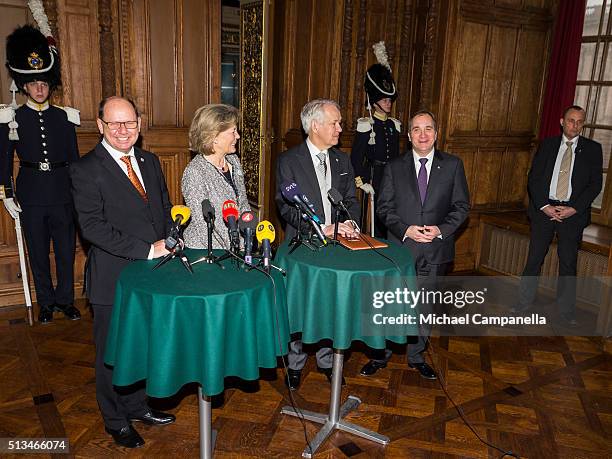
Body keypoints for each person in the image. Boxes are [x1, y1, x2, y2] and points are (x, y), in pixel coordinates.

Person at [70, 96, 175, 448]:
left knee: (144, 345)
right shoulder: (85, 169)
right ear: (99, 125)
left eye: (129, 122)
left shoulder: (150, 160)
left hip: (153, 274)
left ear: (140, 124)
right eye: (113, 123)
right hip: (112, 280)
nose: (122, 130)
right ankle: (115, 419)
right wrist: (147, 249)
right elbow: (93, 228)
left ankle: (136, 405)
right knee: (111, 355)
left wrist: (170, 239)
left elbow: (161, 207)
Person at [359, 110, 470, 380]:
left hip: (435, 250)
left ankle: (416, 356)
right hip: (401, 249)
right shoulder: (395, 167)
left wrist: (440, 230)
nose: (423, 134)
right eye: (417, 129)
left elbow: (461, 206)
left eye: (428, 128)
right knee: (390, 304)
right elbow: (384, 207)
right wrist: (406, 229)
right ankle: (380, 354)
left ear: (436, 133)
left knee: (425, 306)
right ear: (408, 136)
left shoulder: (453, 165)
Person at [276, 98, 360, 390]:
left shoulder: (343, 160)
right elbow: (286, 207)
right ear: (315, 126)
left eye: (339, 123)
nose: (340, 129)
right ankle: (295, 364)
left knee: (330, 303)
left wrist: (350, 222)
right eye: (334, 123)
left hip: (339, 245)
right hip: (304, 245)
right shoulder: (289, 161)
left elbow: (350, 199)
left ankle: (327, 360)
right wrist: (319, 227)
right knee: (300, 304)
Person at [0, 25, 80, 323]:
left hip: (62, 193)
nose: (39, 88)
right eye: (33, 83)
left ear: (50, 84)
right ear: (24, 86)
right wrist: (7, 193)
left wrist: (78, 193)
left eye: (44, 82)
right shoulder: (12, 118)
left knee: (64, 252)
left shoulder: (64, 117)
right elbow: (5, 160)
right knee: (38, 254)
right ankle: (45, 303)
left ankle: (66, 301)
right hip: (31, 195)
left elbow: (74, 161)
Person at [515, 105, 602, 327]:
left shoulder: (593, 149)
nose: (575, 125)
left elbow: (594, 186)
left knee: (568, 264)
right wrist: (544, 206)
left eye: (580, 121)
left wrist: (573, 208)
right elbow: (533, 178)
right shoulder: (548, 145)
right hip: (544, 211)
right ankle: (522, 304)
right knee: (534, 260)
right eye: (571, 120)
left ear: (583, 124)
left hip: (572, 214)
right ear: (562, 122)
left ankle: (566, 312)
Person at [181, 104, 249, 249]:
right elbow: (204, 226)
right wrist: (232, 250)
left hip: (238, 246)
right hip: (207, 251)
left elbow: (243, 204)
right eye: (233, 131)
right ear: (214, 136)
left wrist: (247, 240)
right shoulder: (195, 172)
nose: (238, 136)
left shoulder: (233, 161)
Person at [351, 43, 401, 237]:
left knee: (389, 219)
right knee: (372, 224)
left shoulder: (394, 125)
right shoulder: (365, 125)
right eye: (384, 100)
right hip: (373, 177)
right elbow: (356, 157)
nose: (388, 103)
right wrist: (361, 181)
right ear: (374, 101)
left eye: (390, 100)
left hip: (390, 178)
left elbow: (396, 156)